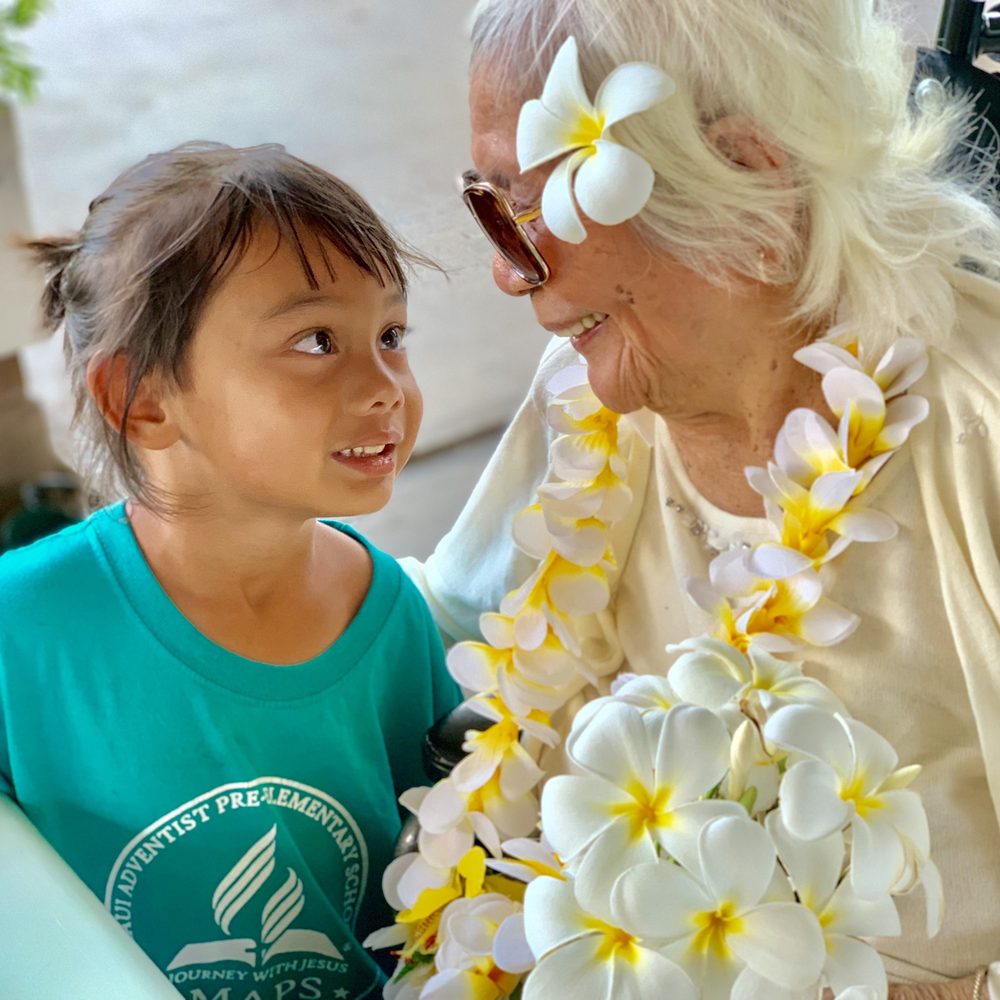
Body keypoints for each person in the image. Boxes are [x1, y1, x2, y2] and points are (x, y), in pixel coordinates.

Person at [403, 1, 1000, 997]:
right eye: (486, 206)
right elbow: (452, 623)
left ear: (746, 187)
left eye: (525, 208)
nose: (509, 273)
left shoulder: (976, 425)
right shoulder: (592, 390)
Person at [0, 141, 460, 1000]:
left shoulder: (388, 614)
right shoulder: (22, 626)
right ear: (142, 399)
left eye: (391, 335)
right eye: (317, 340)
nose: (385, 383)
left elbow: (442, 885)